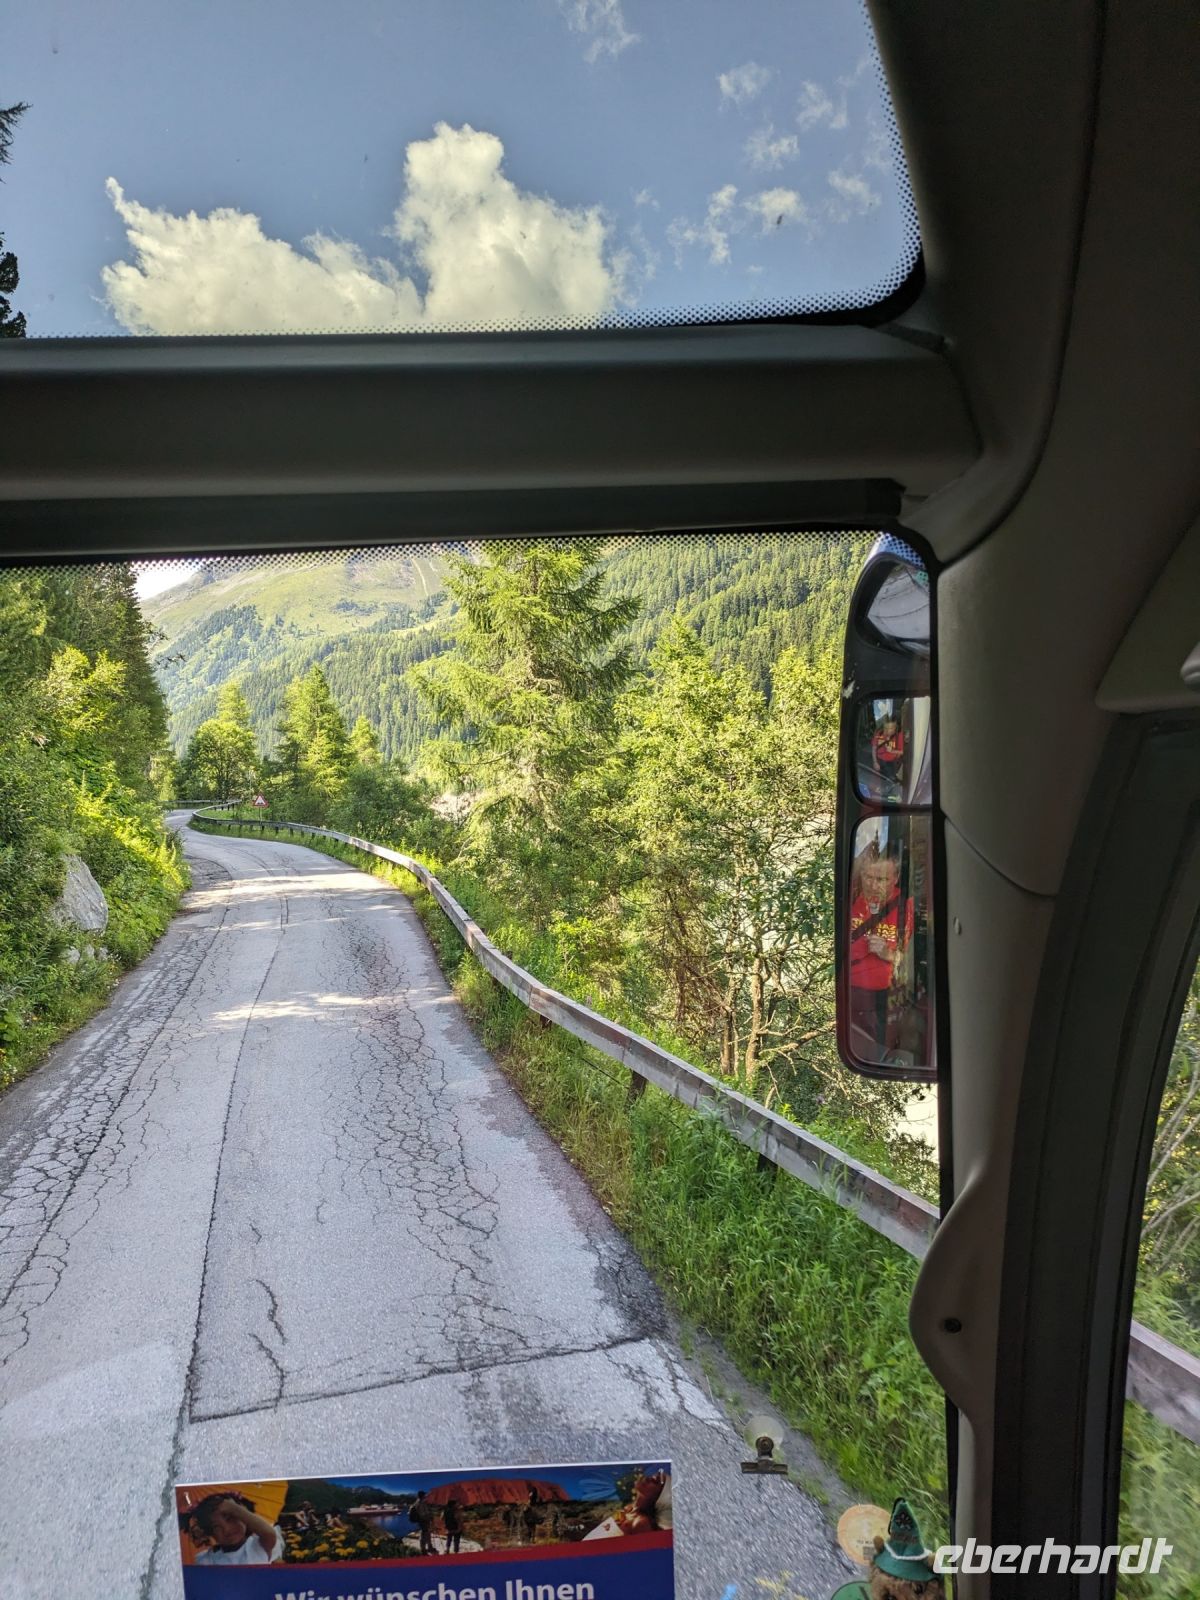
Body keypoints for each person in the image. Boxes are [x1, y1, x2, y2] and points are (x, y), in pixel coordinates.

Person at [849, 852, 913, 1056]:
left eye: (882, 879)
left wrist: (888, 953)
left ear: (895, 879)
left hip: (885, 1000)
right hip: (850, 992)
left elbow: (914, 964)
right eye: (868, 877)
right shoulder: (851, 899)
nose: (873, 885)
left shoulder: (906, 907)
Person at [189, 1493, 285, 1565]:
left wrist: (233, 1508)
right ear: (210, 1532)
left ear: (242, 1515)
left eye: (230, 1518)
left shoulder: (256, 1546)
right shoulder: (208, 1560)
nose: (227, 1529)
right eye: (216, 1527)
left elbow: (268, 1534)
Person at [409, 1490, 436, 1556]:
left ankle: (429, 1547)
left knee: (427, 1533)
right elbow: (423, 1514)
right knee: (424, 1535)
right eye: (425, 1495)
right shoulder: (420, 1503)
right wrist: (429, 1517)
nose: (426, 1496)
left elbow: (425, 1512)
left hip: (423, 1521)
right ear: (423, 1496)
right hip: (423, 1521)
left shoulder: (419, 1502)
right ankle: (423, 1550)